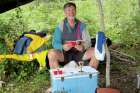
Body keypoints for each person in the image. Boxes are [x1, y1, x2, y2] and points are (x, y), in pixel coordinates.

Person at [48, 2, 99, 69]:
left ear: (75, 11)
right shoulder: (61, 26)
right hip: (64, 55)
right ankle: (58, 77)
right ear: (65, 12)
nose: (71, 12)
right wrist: (62, 47)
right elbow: (55, 43)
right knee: (51, 53)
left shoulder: (81, 25)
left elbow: (88, 41)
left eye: (73, 10)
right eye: (68, 10)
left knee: (96, 52)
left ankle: (89, 76)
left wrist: (83, 47)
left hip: (79, 54)